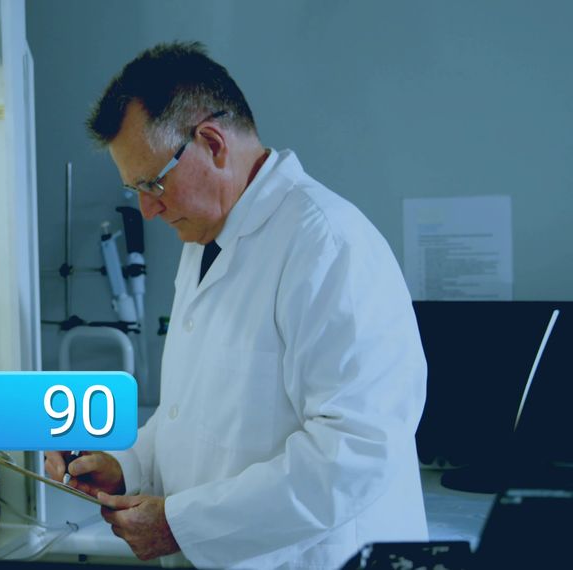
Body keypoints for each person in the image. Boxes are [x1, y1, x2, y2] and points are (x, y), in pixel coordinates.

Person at [45, 41, 429, 569]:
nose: (149, 210)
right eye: (135, 189)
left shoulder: (328, 245)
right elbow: (195, 417)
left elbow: (354, 455)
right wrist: (124, 464)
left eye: (153, 183)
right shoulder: (205, 242)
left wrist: (182, 524)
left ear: (212, 143)